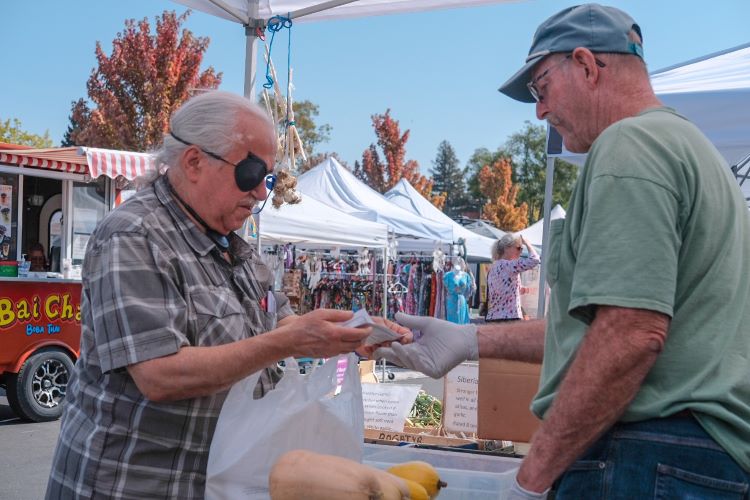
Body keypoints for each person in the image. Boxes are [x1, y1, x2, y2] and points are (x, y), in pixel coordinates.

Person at [374, 4, 750, 498]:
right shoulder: (689, 148)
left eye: (541, 87)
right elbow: (601, 328)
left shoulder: (629, 145)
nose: (540, 111)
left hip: (646, 453)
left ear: (587, 65)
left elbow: (631, 334)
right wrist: (471, 340)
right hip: (692, 455)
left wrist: (533, 477)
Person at [46, 90, 410, 499]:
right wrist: (288, 341)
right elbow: (158, 374)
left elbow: (279, 320)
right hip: (130, 485)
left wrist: (348, 333)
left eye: (269, 179)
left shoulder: (233, 246)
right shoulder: (133, 234)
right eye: (252, 173)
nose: (260, 193)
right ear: (195, 162)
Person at [486, 234, 540, 322]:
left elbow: (507, 290)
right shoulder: (509, 265)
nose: (521, 251)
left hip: (493, 316)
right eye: (519, 248)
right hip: (509, 317)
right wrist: (528, 244)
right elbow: (534, 260)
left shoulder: (493, 267)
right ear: (507, 248)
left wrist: (527, 290)